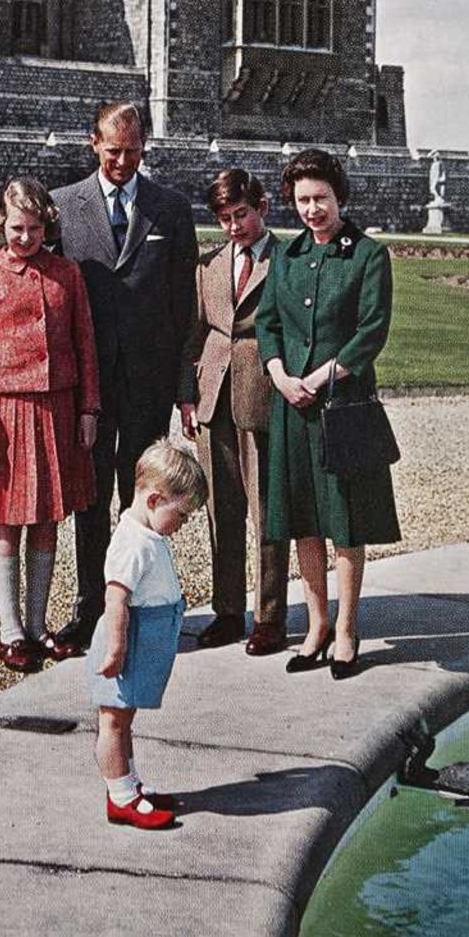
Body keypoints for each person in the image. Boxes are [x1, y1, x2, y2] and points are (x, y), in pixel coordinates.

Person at [33, 101, 198, 655]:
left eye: (132, 151)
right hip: (90, 382)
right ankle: (91, 607)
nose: (122, 161)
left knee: (143, 494)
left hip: (149, 379)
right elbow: (33, 268)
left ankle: (146, 606)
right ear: (93, 144)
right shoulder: (63, 207)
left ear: (145, 147)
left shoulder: (170, 209)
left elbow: (186, 307)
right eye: (112, 151)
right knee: (91, 495)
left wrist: (184, 385)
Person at [255, 148, 400, 681]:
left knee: (344, 522)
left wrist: (317, 379)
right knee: (303, 521)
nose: (312, 210)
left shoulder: (367, 256)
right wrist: (279, 375)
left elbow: (371, 333)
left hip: (341, 406)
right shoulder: (287, 258)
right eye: (302, 200)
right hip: (291, 405)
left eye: (320, 199)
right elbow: (268, 323)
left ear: (340, 197)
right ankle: (315, 626)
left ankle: (346, 629)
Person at [0, 176, 100, 670]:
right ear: (2, 225)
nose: (25, 237)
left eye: (34, 227)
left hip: (58, 409)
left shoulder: (67, 275)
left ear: (47, 225)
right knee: (6, 518)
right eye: (17, 228)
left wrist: (88, 410)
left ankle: (38, 626)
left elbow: (86, 347)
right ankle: (10, 628)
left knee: (45, 519)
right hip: (6, 410)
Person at [179, 167, 289, 655]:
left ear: (262, 207)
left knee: (268, 512)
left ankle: (270, 616)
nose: (234, 226)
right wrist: (187, 394)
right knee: (221, 513)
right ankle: (228, 611)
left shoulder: (288, 260)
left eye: (241, 214)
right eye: (224, 218)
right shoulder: (208, 266)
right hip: (212, 395)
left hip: (264, 392)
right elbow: (193, 334)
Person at [85, 438, 209, 830]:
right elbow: (116, 599)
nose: (183, 525)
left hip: (140, 643)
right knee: (114, 722)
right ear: (154, 500)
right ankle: (120, 797)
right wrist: (116, 649)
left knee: (125, 719)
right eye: (182, 515)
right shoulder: (132, 543)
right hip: (127, 645)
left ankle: (130, 786)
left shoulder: (146, 534)